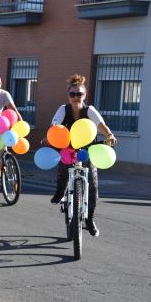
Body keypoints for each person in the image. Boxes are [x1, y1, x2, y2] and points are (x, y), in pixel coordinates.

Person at [49, 74, 117, 237]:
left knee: (93, 185)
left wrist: (110, 136)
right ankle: (60, 192)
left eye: (79, 94)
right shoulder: (63, 109)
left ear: (84, 95)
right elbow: (55, 126)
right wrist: (49, 137)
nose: (75, 97)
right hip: (68, 148)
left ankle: (90, 219)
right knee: (63, 169)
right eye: (72, 94)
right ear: (68, 96)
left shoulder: (89, 110)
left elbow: (102, 125)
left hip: (87, 150)